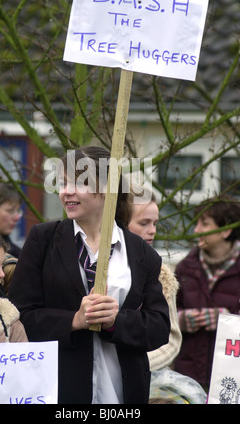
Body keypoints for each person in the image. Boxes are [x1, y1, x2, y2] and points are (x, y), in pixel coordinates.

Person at [9, 146, 170, 404]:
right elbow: (18, 318)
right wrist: (74, 320)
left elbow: (159, 328)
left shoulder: (141, 252)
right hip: (59, 392)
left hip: (123, 394)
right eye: (62, 183)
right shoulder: (43, 240)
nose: (66, 191)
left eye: (78, 182)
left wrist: (115, 321)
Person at [129, 188, 207, 404]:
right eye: (144, 223)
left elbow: (171, 340)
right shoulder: (91, 269)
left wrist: (131, 364)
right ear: (120, 223)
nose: (152, 231)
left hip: (146, 383)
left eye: (155, 224)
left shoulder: (162, 274)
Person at [174, 194, 240, 390]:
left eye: (204, 224)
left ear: (226, 230)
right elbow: (165, 314)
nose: (196, 230)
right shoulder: (184, 268)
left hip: (234, 383)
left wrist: (227, 321)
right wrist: (181, 320)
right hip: (188, 380)